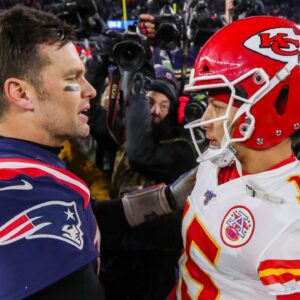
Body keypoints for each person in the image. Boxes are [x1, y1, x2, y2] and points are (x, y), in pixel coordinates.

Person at [0, 6, 196, 300]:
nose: (90, 89)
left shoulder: (29, 167)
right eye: (73, 77)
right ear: (22, 93)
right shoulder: (23, 197)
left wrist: (163, 200)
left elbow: (76, 216)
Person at [174, 15, 300, 299]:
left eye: (218, 107)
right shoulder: (216, 159)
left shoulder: (291, 223)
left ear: (271, 107)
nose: (205, 120)